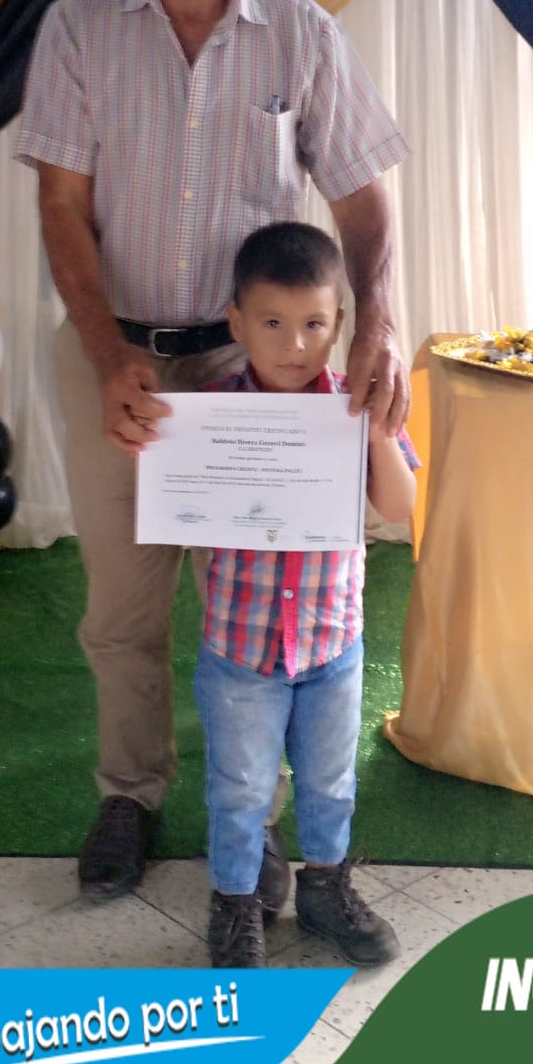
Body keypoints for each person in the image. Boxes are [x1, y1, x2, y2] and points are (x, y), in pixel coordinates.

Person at [14, 0, 410, 907]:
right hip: (122, 364)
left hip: (259, 377)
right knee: (124, 606)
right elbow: (60, 207)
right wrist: (106, 354)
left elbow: (364, 204)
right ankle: (129, 794)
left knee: (264, 609)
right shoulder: (78, 29)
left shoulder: (303, 36)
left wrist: (376, 320)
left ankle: (256, 822)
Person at [193, 222, 419, 970]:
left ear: (341, 324)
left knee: (329, 780)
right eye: (273, 324)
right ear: (236, 322)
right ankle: (235, 904)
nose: (294, 345)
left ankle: (325, 889)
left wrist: (374, 429)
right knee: (240, 787)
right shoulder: (212, 412)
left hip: (331, 643)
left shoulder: (356, 405)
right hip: (240, 650)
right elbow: (176, 503)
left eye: (314, 325)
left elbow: (400, 505)